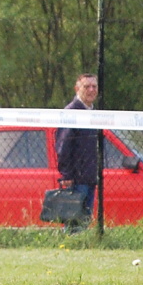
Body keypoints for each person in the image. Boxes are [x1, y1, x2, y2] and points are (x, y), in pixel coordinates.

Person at [55, 74, 100, 220]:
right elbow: (63, 147)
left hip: (90, 177)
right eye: (87, 86)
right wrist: (67, 175)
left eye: (94, 86)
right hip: (76, 179)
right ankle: (69, 242)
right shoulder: (71, 112)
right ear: (77, 89)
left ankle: (80, 243)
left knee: (85, 220)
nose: (91, 90)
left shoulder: (93, 113)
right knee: (74, 221)